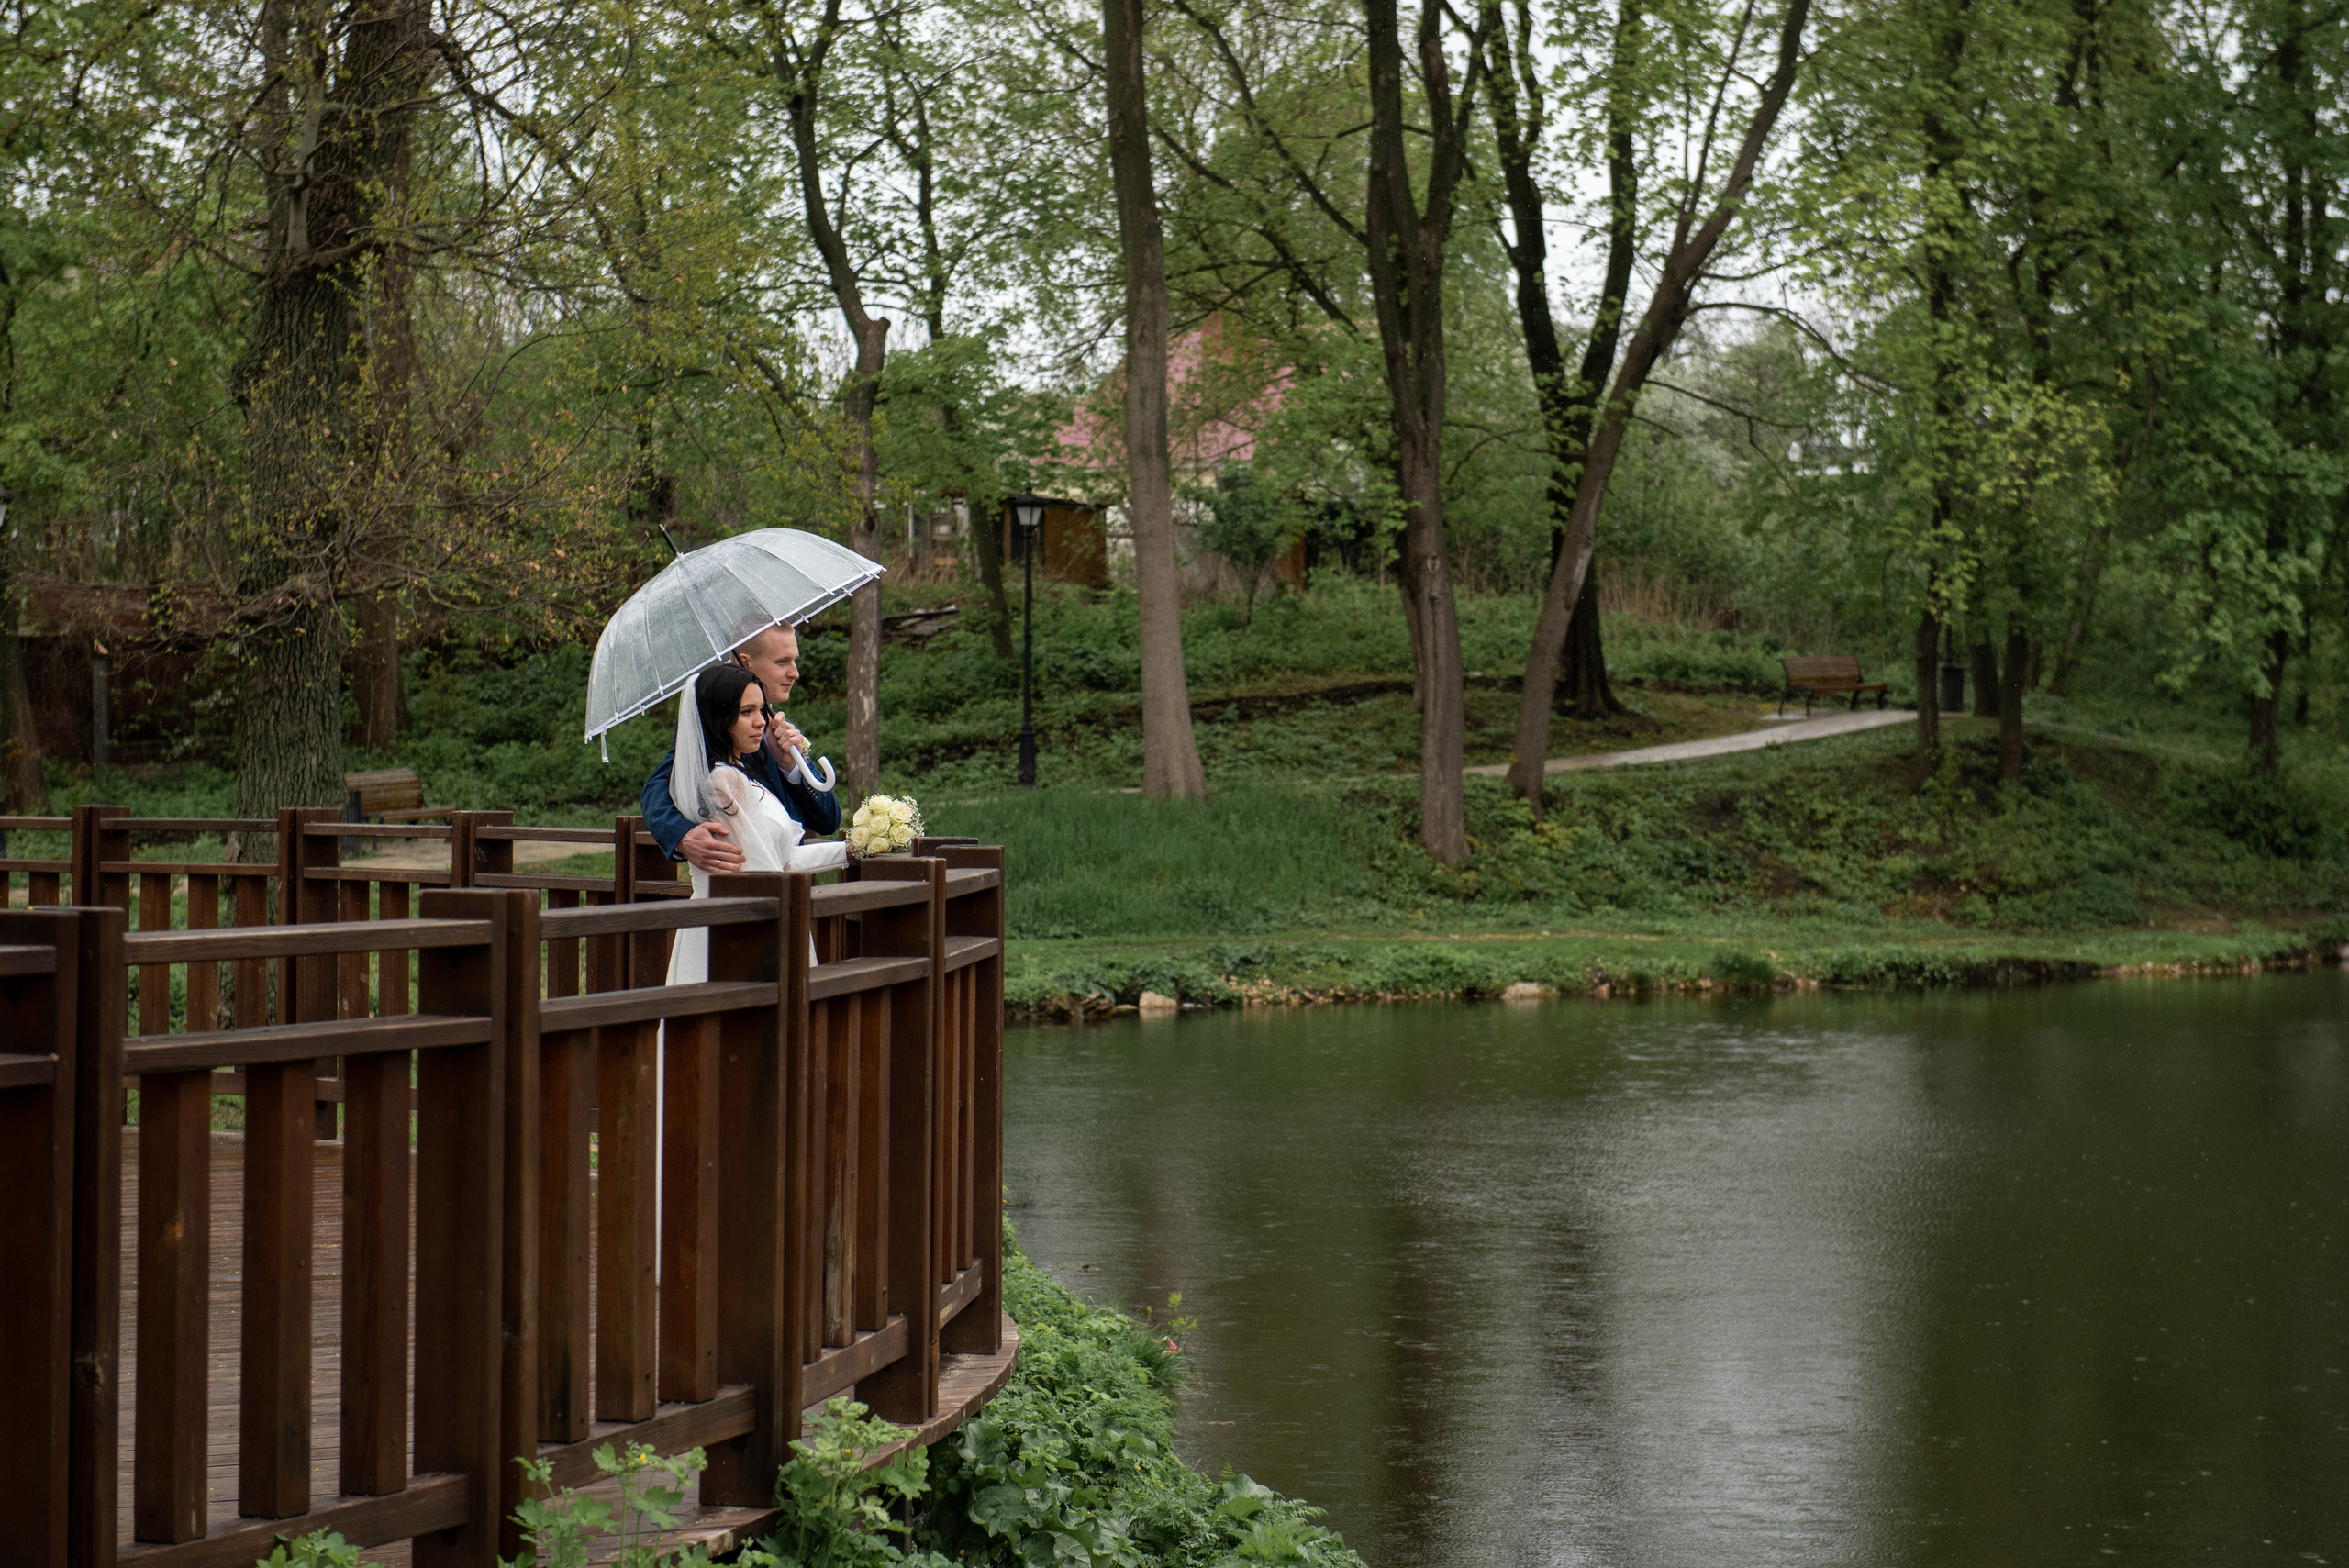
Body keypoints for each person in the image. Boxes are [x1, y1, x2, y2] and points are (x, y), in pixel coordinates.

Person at [663, 662, 848, 986]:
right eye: (747, 711)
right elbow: (766, 871)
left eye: (761, 709)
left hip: (753, 918)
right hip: (737, 933)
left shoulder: (744, 776)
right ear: (719, 718)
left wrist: (853, 849)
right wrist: (852, 850)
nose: (761, 721)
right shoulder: (725, 782)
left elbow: (782, 859)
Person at [641, 621, 841, 873]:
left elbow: (829, 820)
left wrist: (792, 766)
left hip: (792, 878)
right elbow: (657, 787)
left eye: (795, 661)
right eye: (782, 662)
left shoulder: (780, 728)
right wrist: (685, 837)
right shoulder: (709, 725)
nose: (795, 672)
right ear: (745, 662)